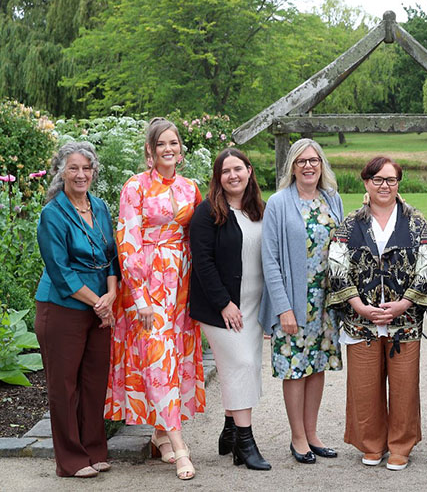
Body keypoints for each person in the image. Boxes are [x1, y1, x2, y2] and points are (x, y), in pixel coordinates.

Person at [105, 117, 204, 480]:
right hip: (145, 286)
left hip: (180, 285)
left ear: (181, 149)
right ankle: (180, 448)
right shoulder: (135, 187)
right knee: (157, 359)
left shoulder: (190, 188)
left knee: (173, 359)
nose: (168, 149)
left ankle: (160, 436)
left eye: (174, 143)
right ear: (150, 149)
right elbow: (127, 243)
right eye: (161, 144)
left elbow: (198, 236)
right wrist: (142, 298)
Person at [327, 156, 427, 471]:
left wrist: (404, 303)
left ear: (398, 182)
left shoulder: (416, 221)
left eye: (391, 179)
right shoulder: (351, 223)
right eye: (378, 180)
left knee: (404, 387)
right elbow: (336, 267)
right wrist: (359, 305)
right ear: (366, 182)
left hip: (404, 322)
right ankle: (371, 444)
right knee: (364, 386)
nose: (384, 186)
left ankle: (400, 446)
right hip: (361, 321)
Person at [34, 142, 118, 478]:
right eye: (73, 168)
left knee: (95, 381)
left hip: (100, 306)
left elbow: (112, 254)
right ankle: (70, 460)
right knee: (64, 386)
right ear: (61, 172)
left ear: (93, 172)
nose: (81, 174)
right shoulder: (52, 214)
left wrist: (111, 294)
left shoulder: (99, 207)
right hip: (62, 307)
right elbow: (60, 269)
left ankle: (94, 450)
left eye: (86, 168)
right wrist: (98, 302)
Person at [261, 138, 343, 465]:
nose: (308, 166)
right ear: (292, 167)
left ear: (321, 165)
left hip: (325, 301)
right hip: (294, 300)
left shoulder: (331, 199)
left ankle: (312, 432)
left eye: (313, 160)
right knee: (295, 368)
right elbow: (269, 260)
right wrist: (283, 307)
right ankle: (297, 437)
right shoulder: (279, 203)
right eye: (301, 161)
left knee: (316, 365)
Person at [190, 148, 270, 471]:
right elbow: (203, 263)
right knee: (242, 363)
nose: (232, 175)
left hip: (253, 305)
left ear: (249, 171)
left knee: (243, 366)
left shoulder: (259, 210)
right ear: (218, 177)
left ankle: (229, 429)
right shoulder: (207, 212)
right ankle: (245, 444)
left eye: (238, 168)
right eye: (225, 171)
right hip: (219, 306)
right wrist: (224, 303)